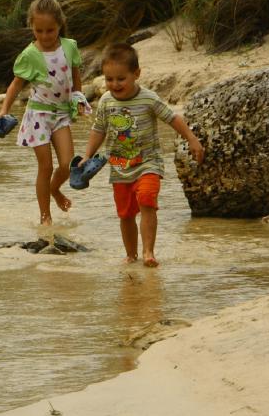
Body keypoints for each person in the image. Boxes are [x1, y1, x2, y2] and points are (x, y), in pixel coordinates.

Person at [80, 42, 204, 267]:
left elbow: (172, 118)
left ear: (136, 74)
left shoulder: (148, 98)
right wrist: (87, 155)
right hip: (120, 168)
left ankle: (148, 252)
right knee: (126, 214)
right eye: (109, 79)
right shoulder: (106, 102)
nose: (114, 84)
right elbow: (98, 130)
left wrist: (192, 139)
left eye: (120, 79)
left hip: (148, 163)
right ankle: (131, 254)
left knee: (147, 200)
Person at [0, 0, 89, 226]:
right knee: (45, 166)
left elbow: (76, 78)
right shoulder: (30, 55)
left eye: (50, 30)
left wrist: (78, 98)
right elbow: (15, 85)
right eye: (39, 31)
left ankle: (54, 190)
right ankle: (45, 217)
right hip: (38, 115)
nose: (45, 36)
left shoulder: (69, 47)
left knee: (67, 165)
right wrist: (3, 110)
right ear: (32, 27)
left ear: (59, 24)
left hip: (61, 114)